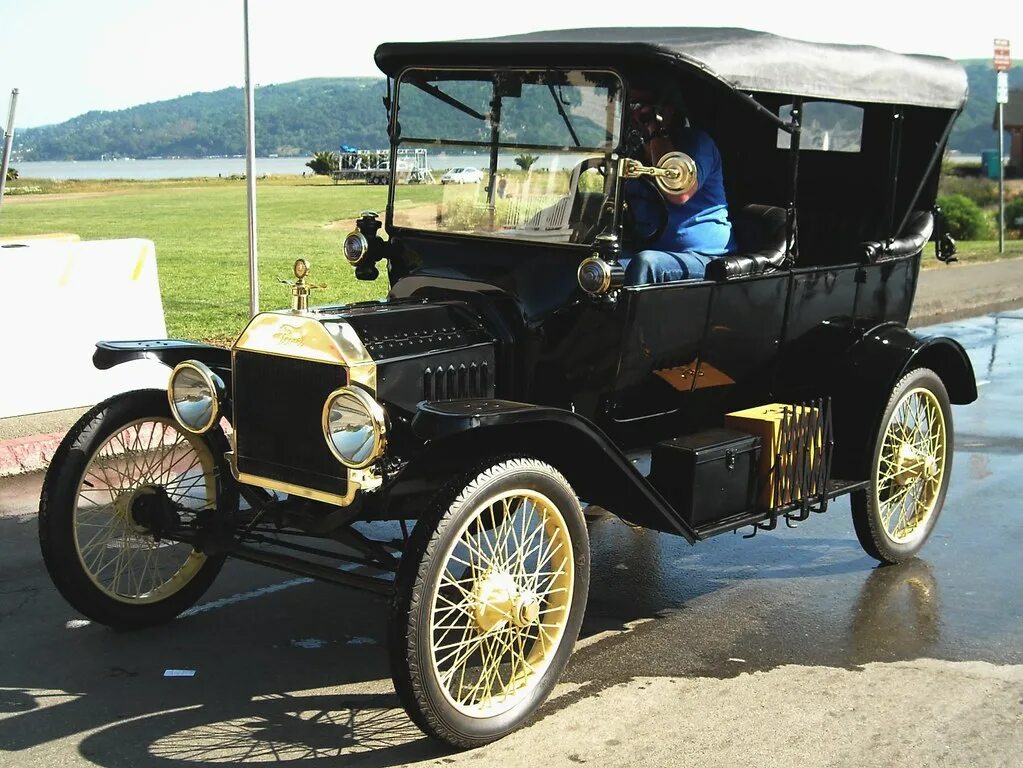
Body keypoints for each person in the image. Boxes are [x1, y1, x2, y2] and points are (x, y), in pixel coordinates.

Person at [620, 84, 735, 284]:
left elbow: (679, 193)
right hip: (651, 248)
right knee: (596, 267)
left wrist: (656, 129)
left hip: (703, 256)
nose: (634, 114)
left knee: (646, 264)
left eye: (640, 105)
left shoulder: (697, 144)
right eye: (628, 105)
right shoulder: (635, 152)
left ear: (666, 110)